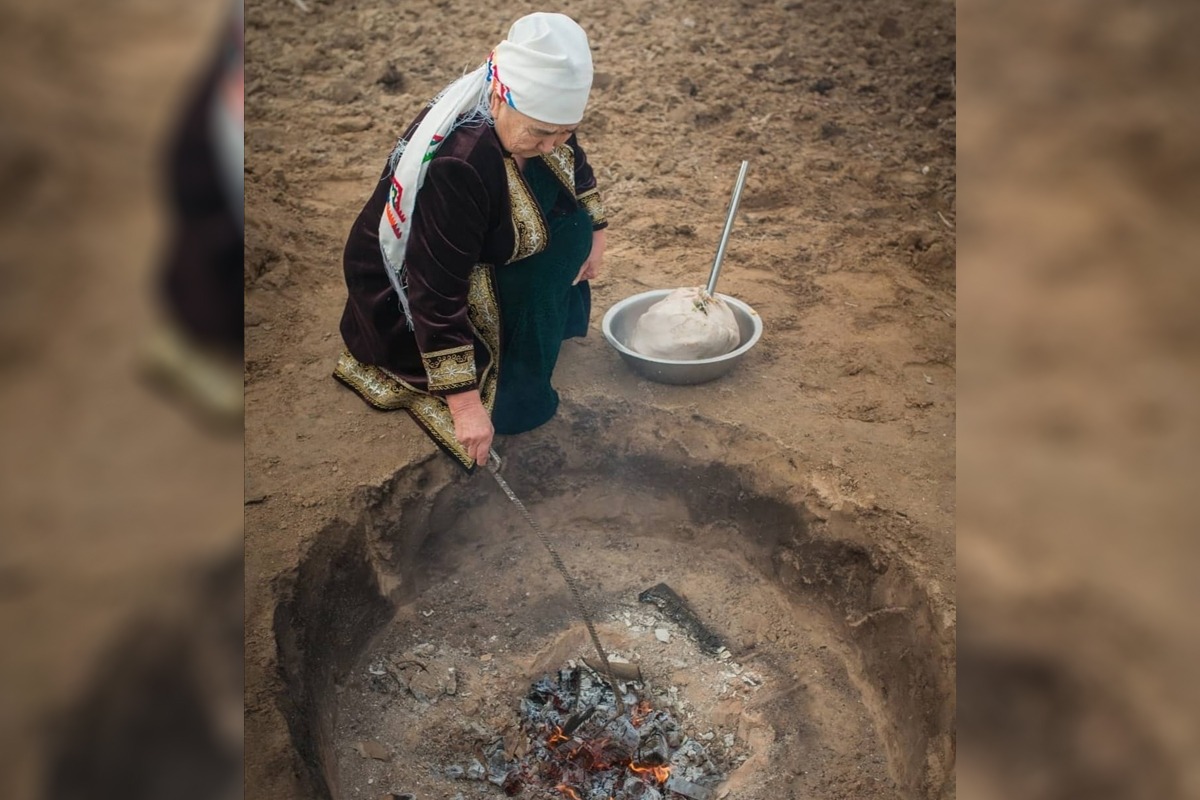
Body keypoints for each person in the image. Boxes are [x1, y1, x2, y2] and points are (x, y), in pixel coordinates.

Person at [334, 12, 608, 471]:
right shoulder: (459, 164)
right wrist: (464, 406)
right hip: (425, 276)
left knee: (572, 228)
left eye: (565, 130)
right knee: (512, 411)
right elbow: (435, 286)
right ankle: (509, 372)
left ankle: (536, 327)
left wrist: (595, 233)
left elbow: (572, 161)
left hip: (487, 239)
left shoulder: (538, 125)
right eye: (541, 132)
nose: (551, 146)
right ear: (500, 96)